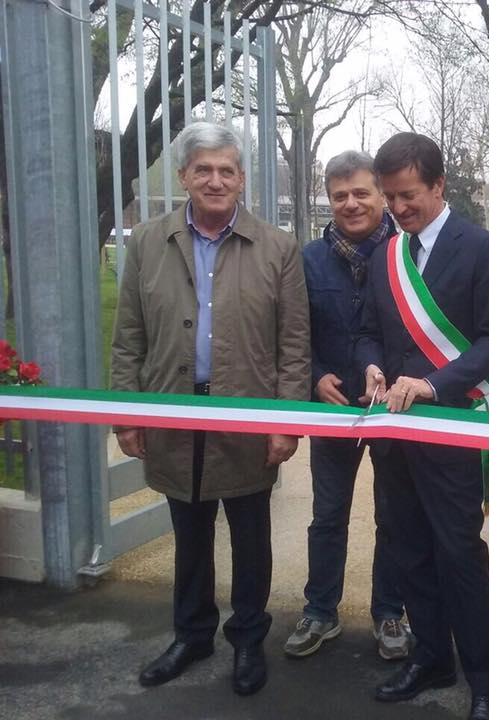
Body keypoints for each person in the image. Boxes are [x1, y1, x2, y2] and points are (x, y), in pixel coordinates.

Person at [111, 121, 310, 696]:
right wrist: (128, 412)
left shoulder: (278, 247)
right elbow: (128, 336)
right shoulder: (148, 242)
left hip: (247, 419)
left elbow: (293, 344)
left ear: (242, 177)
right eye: (204, 170)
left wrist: (286, 421)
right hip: (173, 415)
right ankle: (192, 633)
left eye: (227, 170)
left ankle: (248, 639)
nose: (216, 180)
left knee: (251, 539)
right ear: (184, 177)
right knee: (189, 534)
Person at [356, 132, 489, 720]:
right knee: (408, 548)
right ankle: (431, 657)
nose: (398, 209)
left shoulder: (483, 249)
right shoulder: (384, 256)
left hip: (451, 428)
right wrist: (369, 363)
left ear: (439, 185)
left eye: (409, 196)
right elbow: (370, 330)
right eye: (390, 197)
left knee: (457, 553)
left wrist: (432, 384)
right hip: (395, 432)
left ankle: (483, 679)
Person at [284, 150, 413, 661]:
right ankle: (320, 610)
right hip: (333, 409)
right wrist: (315, 378)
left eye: (362, 192)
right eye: (340, 195)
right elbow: (293, 332)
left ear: (380, 194)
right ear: (328, 199)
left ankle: (389, 612)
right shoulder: (308, 260)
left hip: (391, 409)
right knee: (328, 514)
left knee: (393, 514)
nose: (352, 203)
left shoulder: (406, 254)